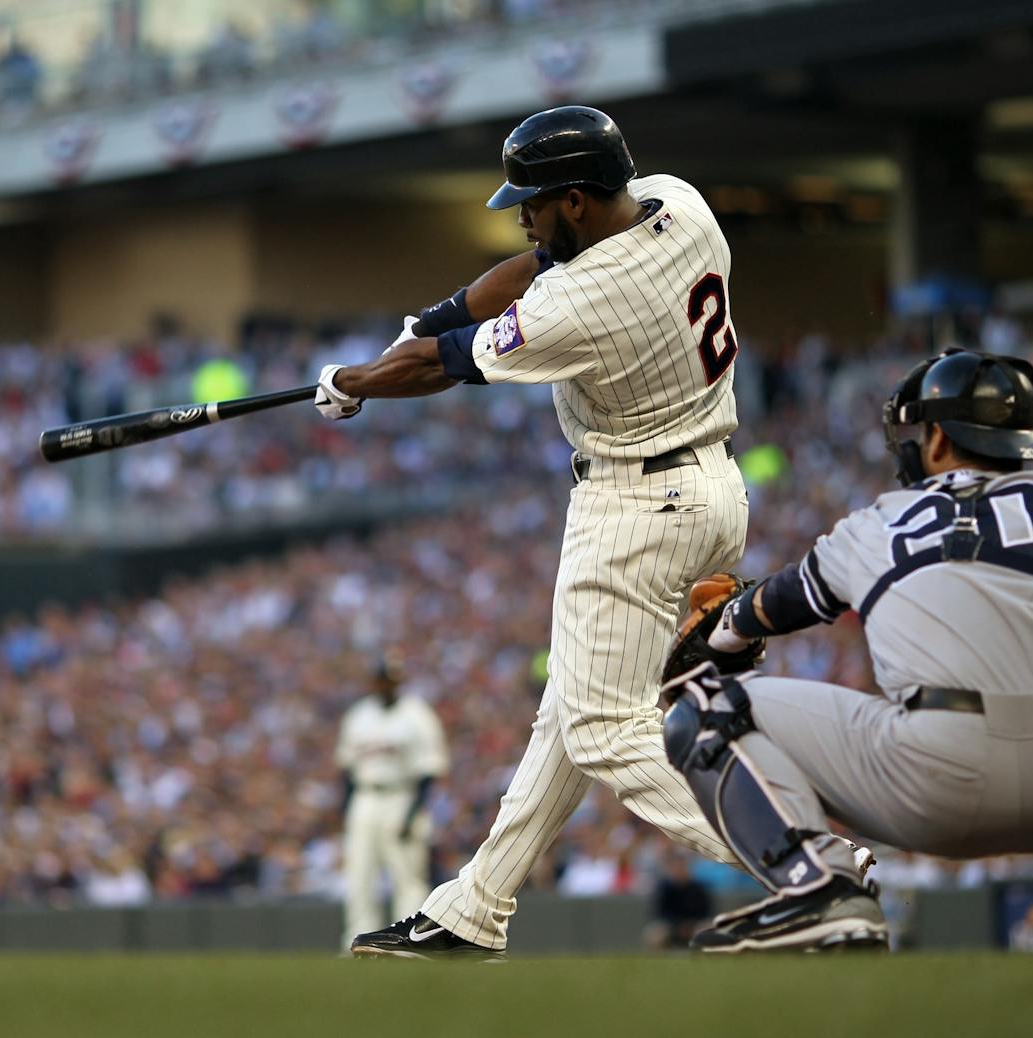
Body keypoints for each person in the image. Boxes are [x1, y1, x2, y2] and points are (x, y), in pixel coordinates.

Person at [315, 105, 756, 960]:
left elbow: (442, 368)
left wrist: (355, 379)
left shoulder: (583, 300)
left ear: (581, 201)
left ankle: (808, 861)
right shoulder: (678, 203)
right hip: (711, 488)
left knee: (603, 728)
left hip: (637, 505)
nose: (522, 212)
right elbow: (527, 265)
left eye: (536, 198)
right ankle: (471, 909)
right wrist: (432, 314)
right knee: (566, 717)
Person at [661, 349, 1033, 952]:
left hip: (936, 781)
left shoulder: (881, 520)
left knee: (703, 710)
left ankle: (821, 888)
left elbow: (776, 603)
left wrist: (726, 627)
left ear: (937, 438)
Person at [335, 651, 449, 951]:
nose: (386, 685)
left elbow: (428, 772)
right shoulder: (359, 715)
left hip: (402, 796)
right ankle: (356, 943)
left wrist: (412, 815)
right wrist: (348, 810)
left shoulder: (417, 715)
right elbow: (346, 768)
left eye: (392, 680)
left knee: (407, 877)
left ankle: (409, 943)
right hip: (365, 797)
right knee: (359, 874)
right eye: (382, 679)